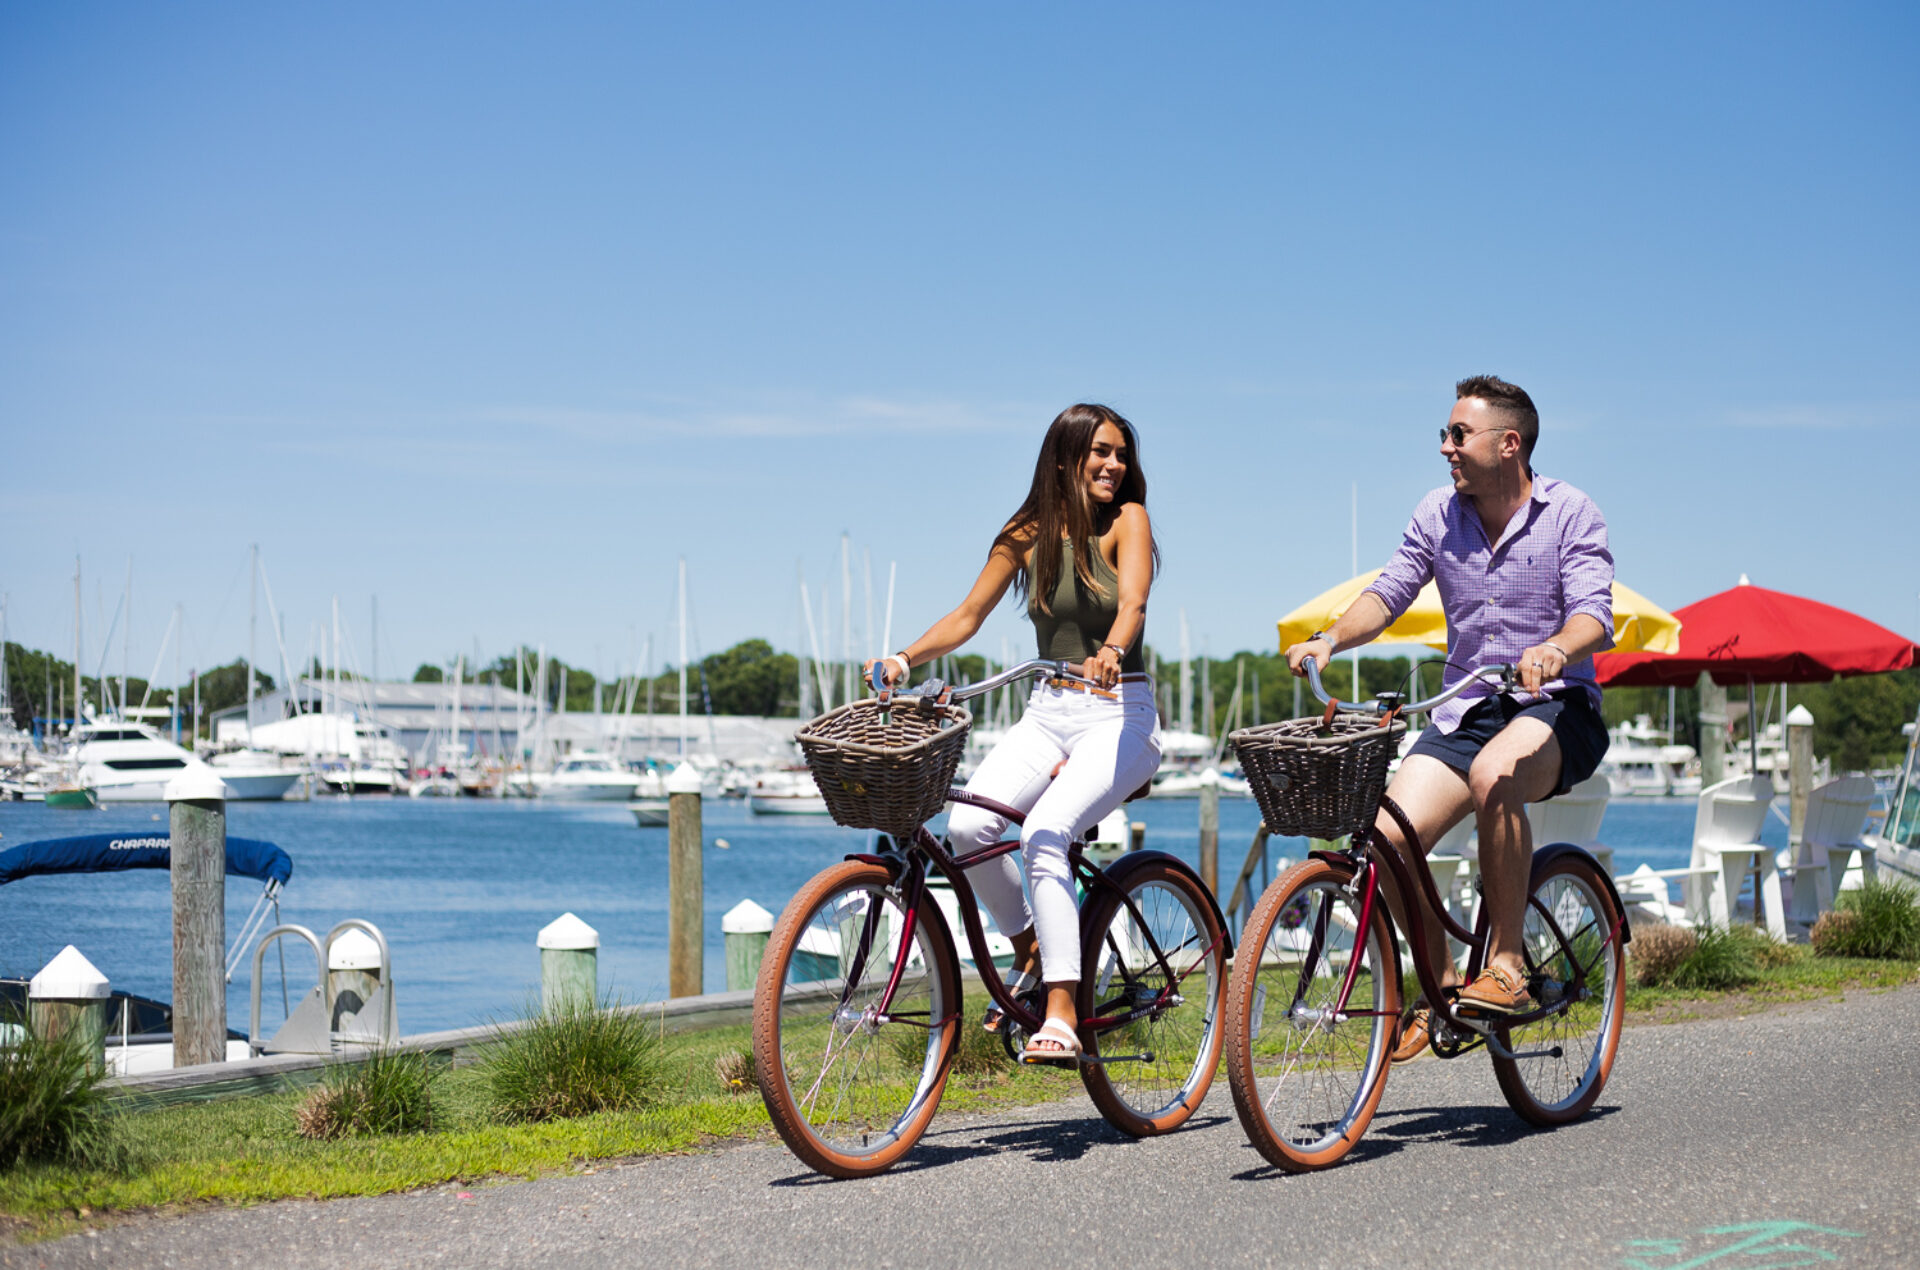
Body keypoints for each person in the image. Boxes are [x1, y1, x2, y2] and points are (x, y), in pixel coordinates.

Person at [1286, 375, 1612, 1056]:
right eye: (1445, 434)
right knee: (1383, 836)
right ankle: (1438, 992)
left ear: (1509, 443)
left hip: (1556, 708)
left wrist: (1554, 649)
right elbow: (1390, 591)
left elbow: (1593, 614)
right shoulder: (1439, 512)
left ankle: (1508, 966)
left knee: (1498, 774)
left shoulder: (1571, 511)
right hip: (1466, 711)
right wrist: (1330, 640)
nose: (1445, 448)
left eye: (1459, 434)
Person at [866, 403, 1162, 1062]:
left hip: (1121, 713)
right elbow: (969, 614)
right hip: (1049, 708)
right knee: (969, 829)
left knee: (1044, 833)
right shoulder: (1027, 530)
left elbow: (1135, 601)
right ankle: (1032, 948)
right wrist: (904, 659)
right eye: (1100, 452)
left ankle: (1061, 1008)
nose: (1113, 465)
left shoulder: (1128, 521)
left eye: (1121, 453)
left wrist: (1113, 649)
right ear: (1063, 459)